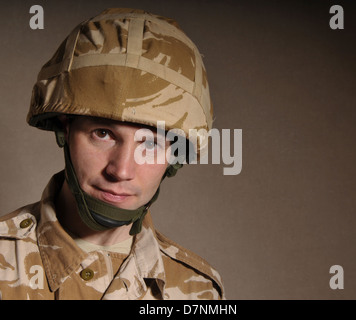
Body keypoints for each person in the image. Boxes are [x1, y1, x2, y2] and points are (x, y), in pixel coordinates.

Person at [0, 8, 224, 300]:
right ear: (65, 127)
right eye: (103, 134)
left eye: (151, 144)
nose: (121, 170)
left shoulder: (197, 289)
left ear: (174, 156)